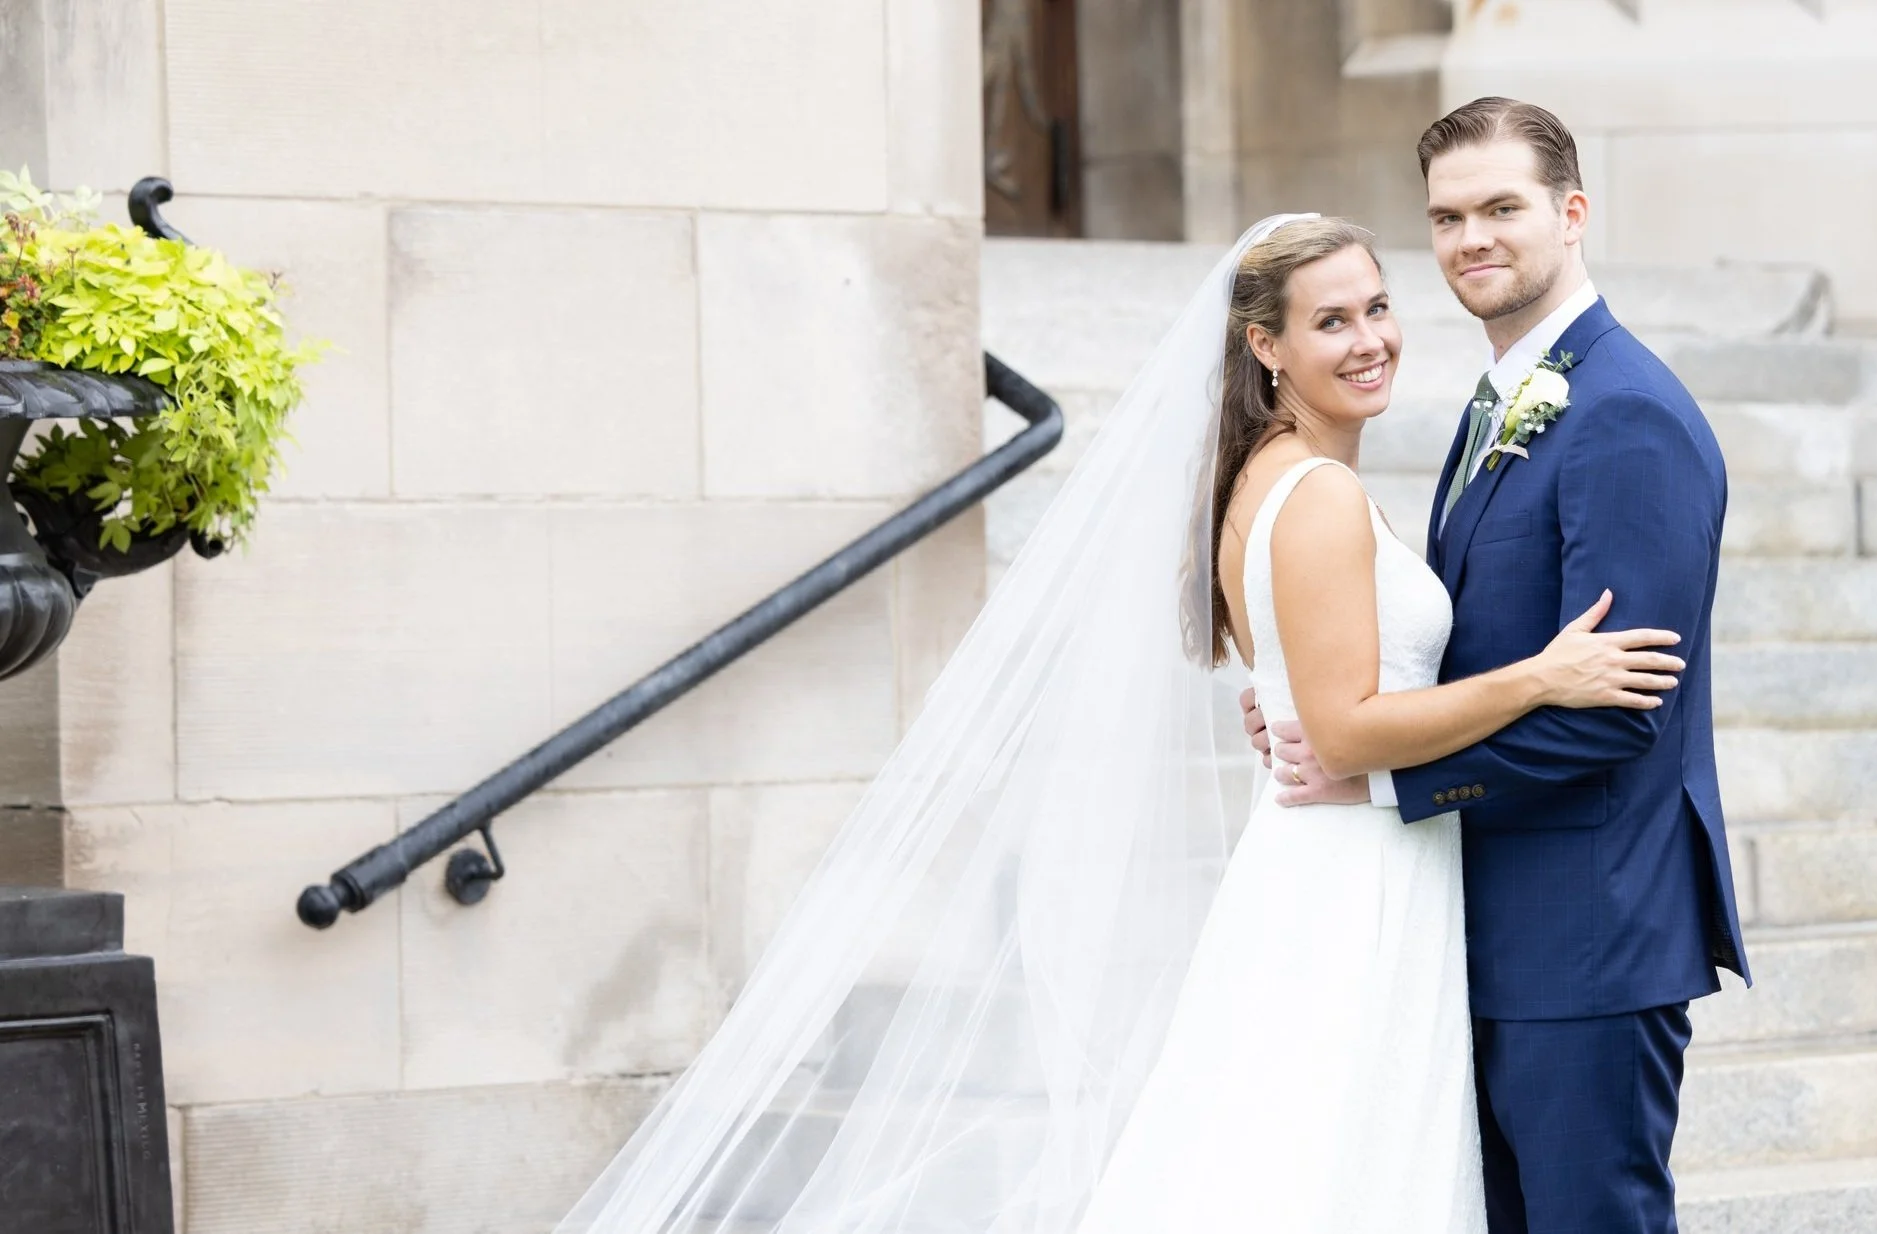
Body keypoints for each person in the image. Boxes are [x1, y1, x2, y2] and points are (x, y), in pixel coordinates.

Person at [553, 211, 1680, 1234]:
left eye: (1378, 307)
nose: (1369, 338)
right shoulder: (1320, 494)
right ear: (1265, 348)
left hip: (1329, 860)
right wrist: (1541, 677)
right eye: (1329, 320)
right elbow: (1342, 732)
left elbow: (1319, 699)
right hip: (1352, 873)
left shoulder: (1261, 478)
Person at [1248, 98, 1753, 1233]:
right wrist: (1331, 707)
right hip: (1488, 929)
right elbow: (1476, 645)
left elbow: (1617, 708)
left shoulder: (1627, 416)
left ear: (1572, 213)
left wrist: (1378, 777)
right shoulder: (1503, 404)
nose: (1472, 237)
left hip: (1587, 938)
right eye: (1447, 216)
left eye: (1501, 207)